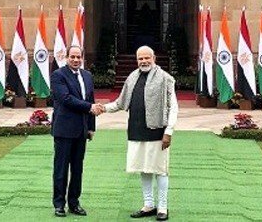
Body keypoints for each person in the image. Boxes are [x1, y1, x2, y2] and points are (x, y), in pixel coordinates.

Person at [94, 45, 178, 221]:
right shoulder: (132, 77)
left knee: (160, 170)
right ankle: (148, 204)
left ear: (154, 58)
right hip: (136, 130)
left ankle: (162, 207)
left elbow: (173, 107)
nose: (144, 61)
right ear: (137, 60)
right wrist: (103, 108)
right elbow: (120, 103)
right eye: (140, 58)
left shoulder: (165, 78)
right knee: (144, 168)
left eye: (147, 58)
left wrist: (169, 131)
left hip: (157, 132)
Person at [50, 45, 98, 217]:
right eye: (73, 57)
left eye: (79, 57)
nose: (76, 60)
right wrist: (90, 107)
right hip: (64, 130)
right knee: (61, 169)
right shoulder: (58, 75)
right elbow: (65, 99)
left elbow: (91, 99)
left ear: (82, 58)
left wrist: (91, 126)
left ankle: (74, 203)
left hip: (81, 131)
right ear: (66, 57)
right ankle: (59, 204)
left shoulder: (87, 76)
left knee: (77, 169)